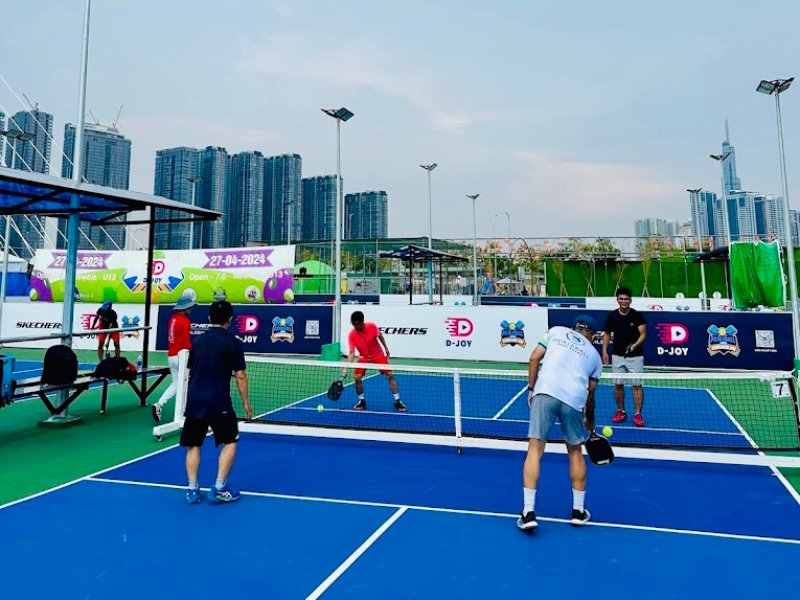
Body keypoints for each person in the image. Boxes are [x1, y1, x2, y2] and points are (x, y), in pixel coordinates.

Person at [518, 315, 601, 531]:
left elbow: (534, 358)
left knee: (535, 449)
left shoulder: (555, 331)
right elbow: (590, 394)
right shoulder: (595, 357)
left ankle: (528, 512)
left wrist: (531, 388)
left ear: (574, 327)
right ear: (592, 334)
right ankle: (578, 512)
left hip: (545, 391)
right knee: (575, 451)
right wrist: (590, 419)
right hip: (574, 400)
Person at [180, 301, 253, 504]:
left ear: (210, 318)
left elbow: (191, 370)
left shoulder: (197, 342)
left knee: (193, 444)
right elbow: (240, 376)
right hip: (219, 401)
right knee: (230, 441)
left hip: (195, 400)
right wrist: (246, 403)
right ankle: (220, 487)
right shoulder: (234, 343)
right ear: (230, 319)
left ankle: (193, 489)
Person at [341, 310, 406, 412]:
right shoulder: (352, 335)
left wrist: (386, 348)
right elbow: (351, 353)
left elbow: (380, 336)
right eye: (354, 324)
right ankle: (362, 401)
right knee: (357, 378)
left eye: (357, 324)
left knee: (390, 375)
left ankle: (397, 401)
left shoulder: (372, 326)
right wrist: (345, 368)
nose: (355, 326)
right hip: (364, 357)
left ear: (362, 322)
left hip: (377, 354)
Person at [602, 286, 647, 427]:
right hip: (617, 356)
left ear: (630, 300)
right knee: (618, 385)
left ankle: (638, 414)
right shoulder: (612, 316)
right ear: (617, 300)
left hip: (635, 357)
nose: (624, 301)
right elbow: (607, 334)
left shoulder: (637, 316)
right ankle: (621, 411)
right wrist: (604, 351)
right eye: (621, 299)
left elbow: (643, 334)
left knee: (637, 386)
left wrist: (634, 345)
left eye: (626, 299)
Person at [151, 293, 196, 423]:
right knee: (187, 384)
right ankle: (185, 414)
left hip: (171, 356)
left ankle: (159, 404)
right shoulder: (185, 321)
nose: (191, 309)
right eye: (189, 306)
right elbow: (187, 343)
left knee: (176, 383)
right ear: (185, 308)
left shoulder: (173, 319)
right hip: (182, 357)